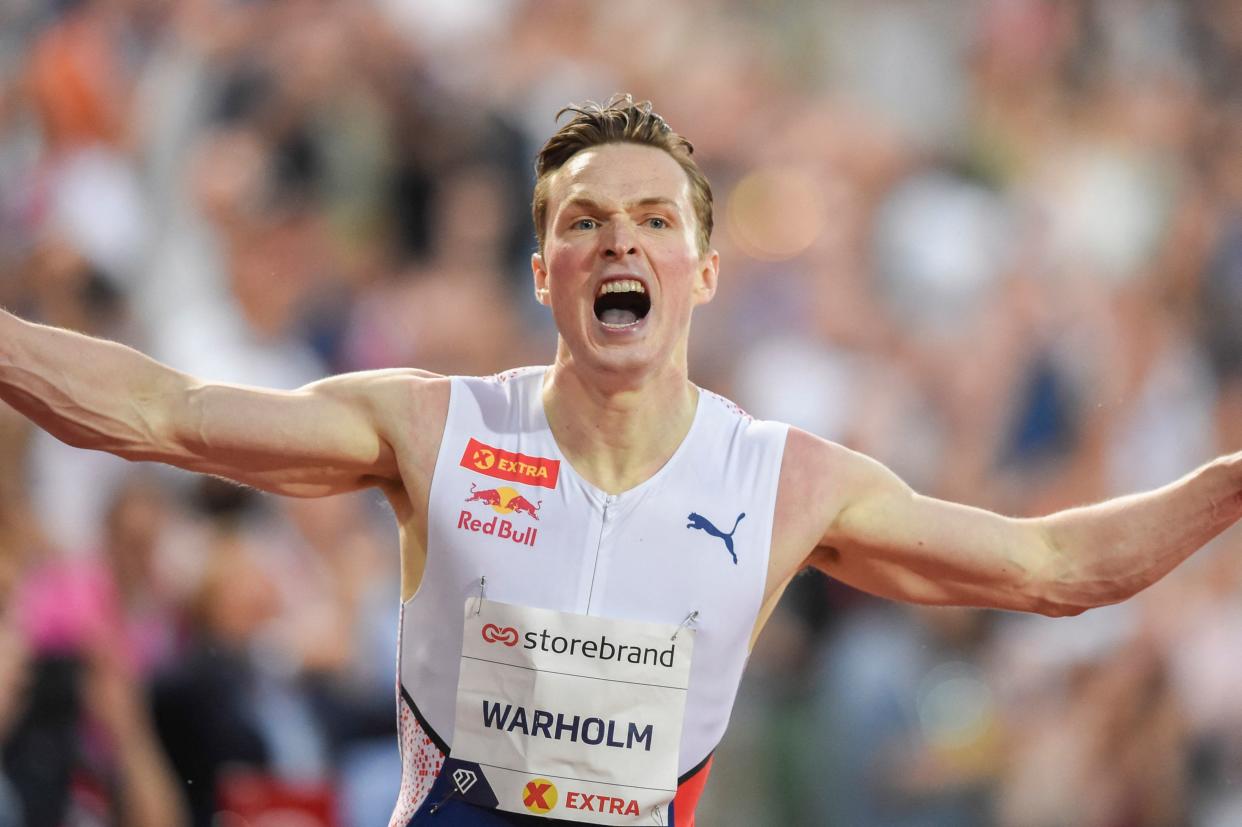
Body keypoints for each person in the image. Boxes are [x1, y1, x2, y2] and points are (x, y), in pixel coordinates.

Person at [1, 94, 1240, 827]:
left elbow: (1049, 563)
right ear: (544, 274)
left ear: (703, 272)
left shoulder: (786, 479)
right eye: (583, 223)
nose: (617, 243)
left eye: (655, 220)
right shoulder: (438, 427)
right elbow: (163, 410)